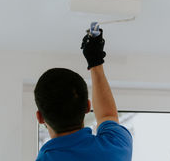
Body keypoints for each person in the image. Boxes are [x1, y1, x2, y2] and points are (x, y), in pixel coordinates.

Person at [34, 28, 133, 161]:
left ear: (40, 117)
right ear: (87, 106)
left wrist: (95, 63)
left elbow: (108, 115)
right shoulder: (116, 146)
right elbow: (108, 116)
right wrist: (95, 62)